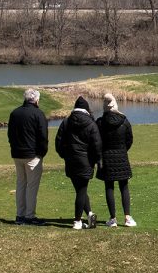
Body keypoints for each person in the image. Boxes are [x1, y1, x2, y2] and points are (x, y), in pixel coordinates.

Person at [55, 95, 103, 230]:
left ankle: (90, 214)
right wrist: (96, 160)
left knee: (80, 189)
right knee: (81, 190)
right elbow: (97, 145)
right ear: (86, 109)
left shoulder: (66, 121)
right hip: (86, 161)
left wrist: (64, 155)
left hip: (71, 161)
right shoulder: (91, 123)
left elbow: (58, 142)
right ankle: (77, 221)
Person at [7, 88, 48, 226]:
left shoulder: (15, 113)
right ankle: (29, 216)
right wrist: (42, 153)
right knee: (31, 187)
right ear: (36, 100)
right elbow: (43, 137)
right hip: (32, 155)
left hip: (17, 154)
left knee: (21, 184)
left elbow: (10, 135)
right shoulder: (38, 114)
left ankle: (20, 215)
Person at [95, 93, 137, 228]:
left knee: (109, 187)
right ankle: (127, 218)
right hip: (122, 157)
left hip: (107, 158)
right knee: (124, 186)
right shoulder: (124, 121)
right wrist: (123, 150)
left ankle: (113, 219)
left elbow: (97, 142)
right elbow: (129, 140)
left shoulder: (100, 122)